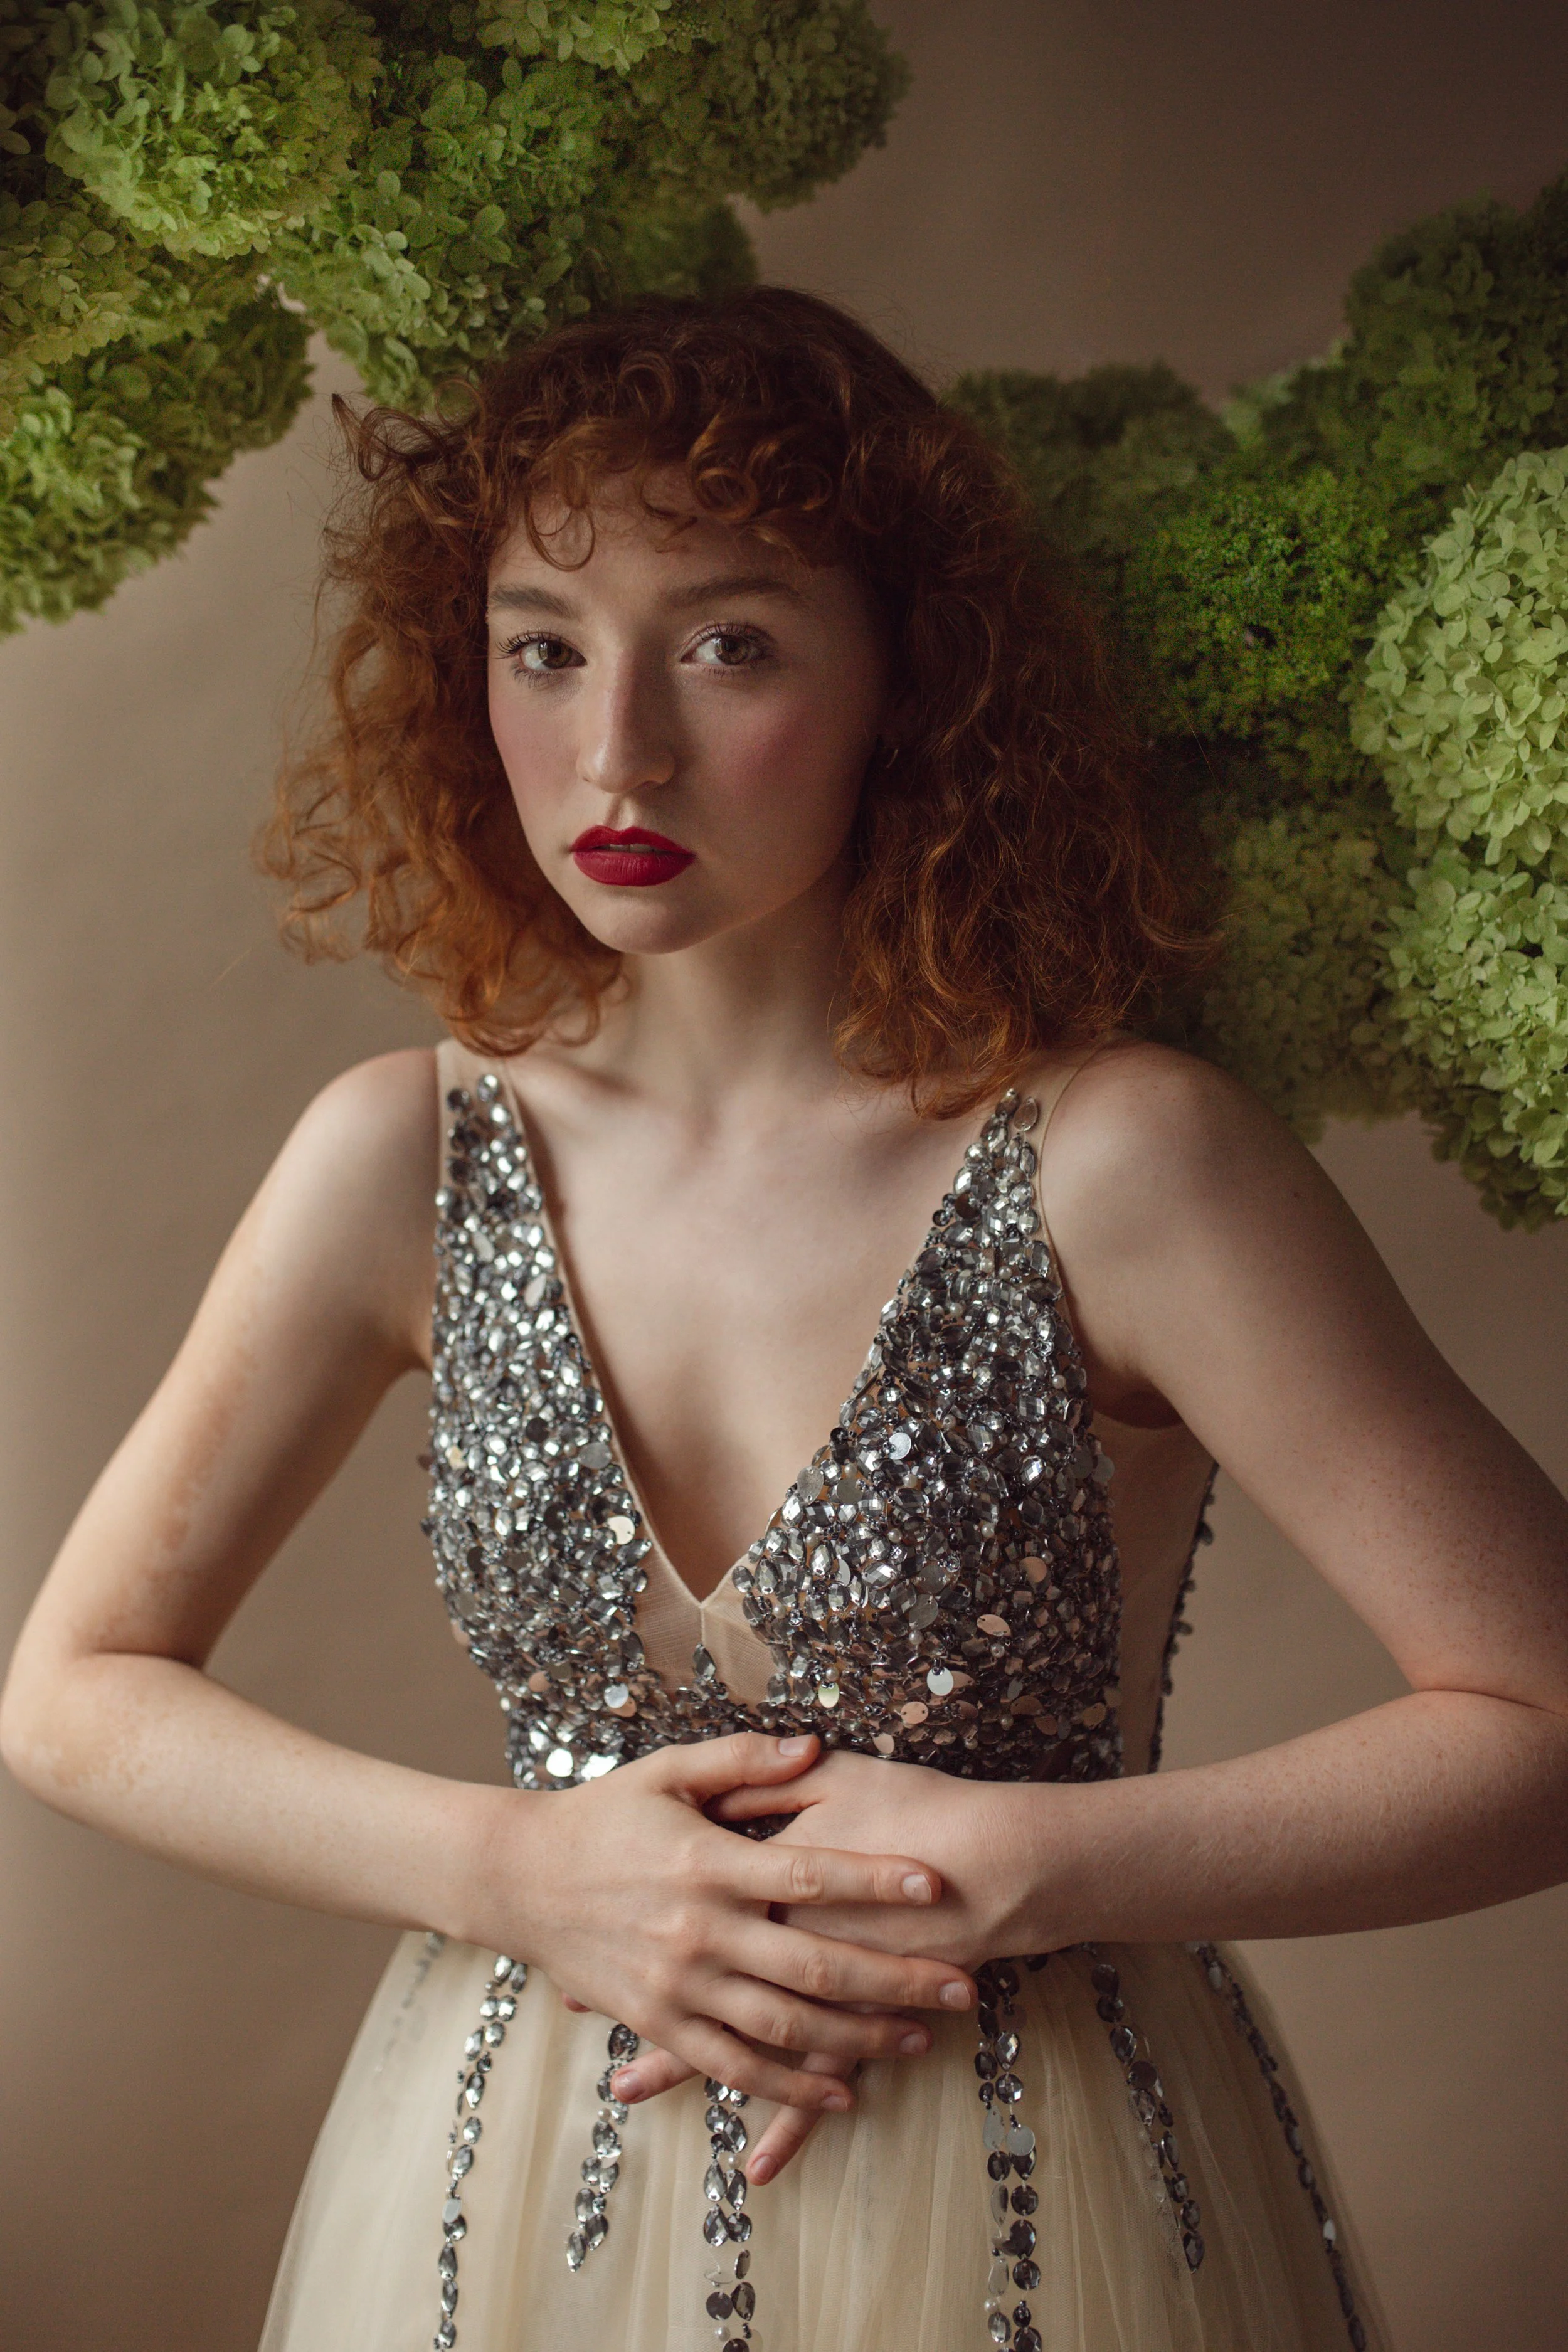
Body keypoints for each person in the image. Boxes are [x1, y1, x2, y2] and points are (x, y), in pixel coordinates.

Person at [4, 287, 1567, 2352]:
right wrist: (505, 1867)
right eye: (541, 648)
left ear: (905, 676)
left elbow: (1542, 1717)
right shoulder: (406, 1154)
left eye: (725, 642)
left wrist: (1036, 1861)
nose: (614, 748)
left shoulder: (1122, 1162)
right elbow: (72, 1687)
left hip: (1046, 2199)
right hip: (501, 2201)